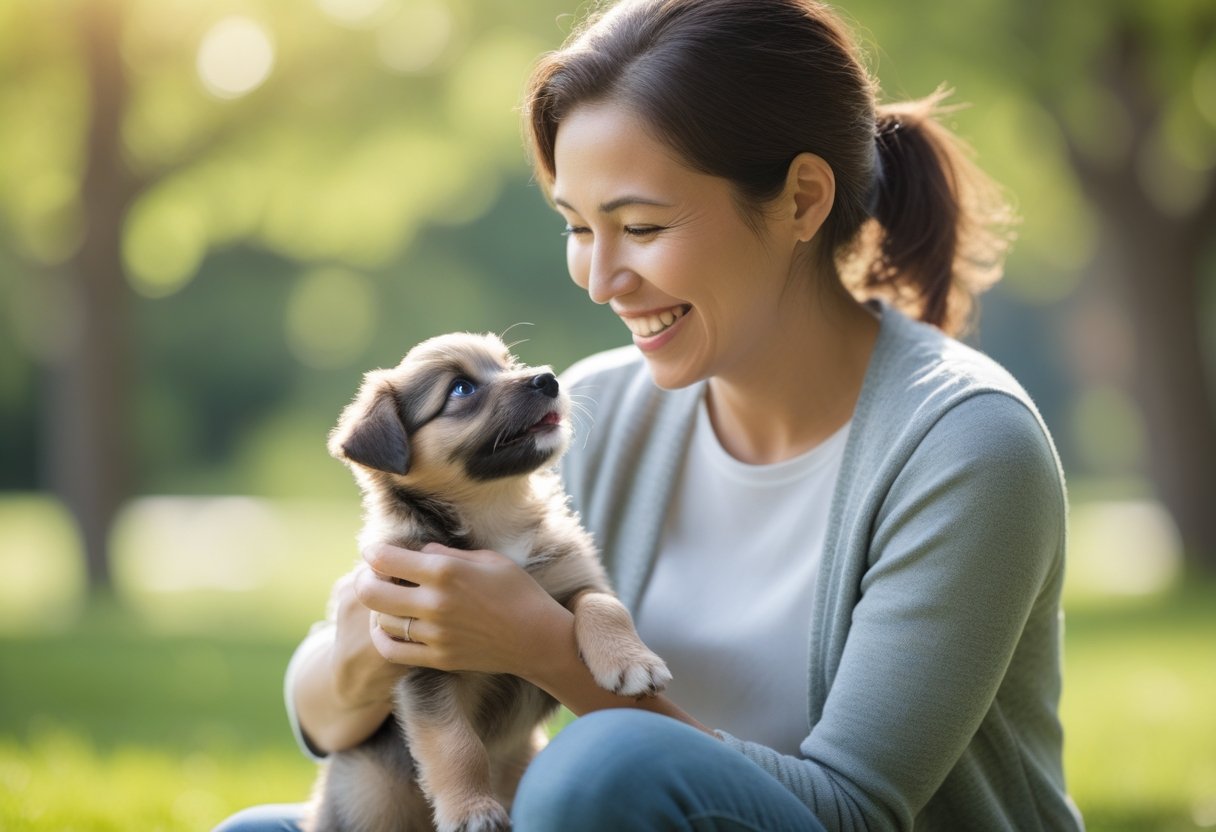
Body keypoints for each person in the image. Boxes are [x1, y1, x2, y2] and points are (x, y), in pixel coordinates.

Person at [216, 0, 1084, 829]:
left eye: (639, 225)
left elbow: (852, 813)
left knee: (597, 770)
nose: (599, 280)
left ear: (802, 201)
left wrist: (551, 650)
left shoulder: (966, 447)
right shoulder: (595, 416)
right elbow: (323, 712)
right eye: (578, 228)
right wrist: (380, 647)